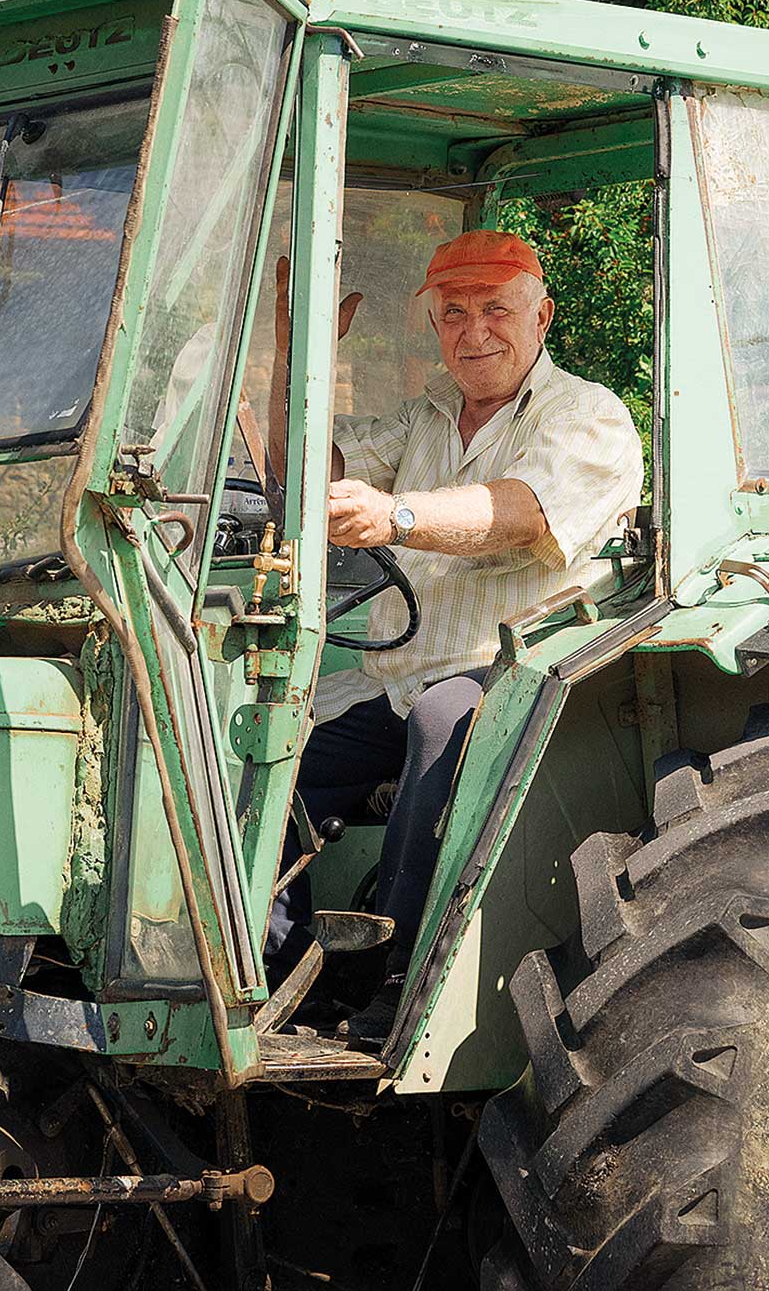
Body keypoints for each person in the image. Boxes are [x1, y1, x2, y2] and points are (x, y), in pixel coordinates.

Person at [269, 229, 643, 1045]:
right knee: (274, 747)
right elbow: (296, 471)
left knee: (444, 721)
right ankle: (279, 975)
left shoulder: (587, 415)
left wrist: (399, 514)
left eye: (495, 310)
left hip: (513, 675)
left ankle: (392, 985)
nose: (475, 332)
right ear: (434, 326)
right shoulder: (425, 416)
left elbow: (523, 512)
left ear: (541, 316)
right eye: (454, 313)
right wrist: (295, 358)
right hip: (395, 674)